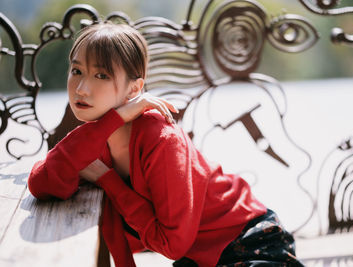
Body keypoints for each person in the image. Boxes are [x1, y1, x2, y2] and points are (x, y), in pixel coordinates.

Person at [28, 21, 304, 267]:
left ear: (135, 90)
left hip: (249, 242)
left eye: (101, 76)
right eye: (76, 70)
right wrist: (114, 119)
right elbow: (41, 184)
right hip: (200, 258)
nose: (81, 89)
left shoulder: (162, 140)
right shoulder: (97, 137)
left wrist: (106, 179)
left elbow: (171, 244)